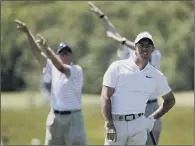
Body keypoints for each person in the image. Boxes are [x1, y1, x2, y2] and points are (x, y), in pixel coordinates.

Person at [88, 2, 162, 145]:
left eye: (148, 44)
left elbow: (120, 39)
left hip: (151, 107)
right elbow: (113, 33)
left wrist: (120, 40)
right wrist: (103, 17)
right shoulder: (127, 58)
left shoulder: (155, 55)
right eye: (141, 43)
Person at [14, 20, 87, 145]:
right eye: (61, 53)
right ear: (57, 55)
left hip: (73, 119)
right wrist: (28, 33)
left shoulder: (76, 70)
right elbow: (37, 53)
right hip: (55, 118)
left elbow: (61, 68)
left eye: (67, 53)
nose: (64, 56)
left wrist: (47, 49)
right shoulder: (52, 67)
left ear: (71, 56)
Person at [101, 30, 175, 145]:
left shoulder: (155, 75)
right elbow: (105, 97)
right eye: (141, 45)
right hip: (116, 124)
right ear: (134, 48)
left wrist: (152, 118)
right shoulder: (117, 67)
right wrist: (109, 123)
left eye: (148, 45)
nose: (145, 48)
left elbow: (170, 100)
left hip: (138, 126)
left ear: (152, 49)